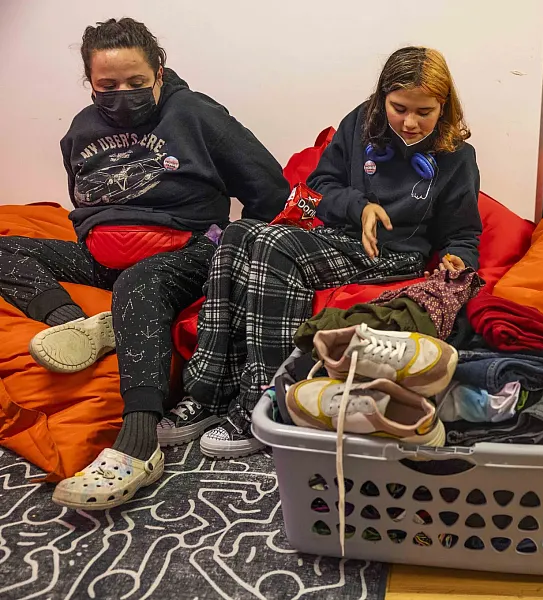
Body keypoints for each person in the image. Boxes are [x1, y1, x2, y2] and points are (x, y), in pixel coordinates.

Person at [0, 18, 289, 510]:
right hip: (102, 258)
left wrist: (232, 255)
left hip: (188, 252)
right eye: (107, 85)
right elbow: (86, 200)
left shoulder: (197, 115)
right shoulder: (81, 128)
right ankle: (77, 324)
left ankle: (138, 444)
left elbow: (271, 191)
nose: (122, 94)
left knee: (140, 279)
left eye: (136, 82)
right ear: (89, 82)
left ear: (159, 72)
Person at [166, 46, 482, 459]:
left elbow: (463, 232)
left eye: (424, 111)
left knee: (272, 244)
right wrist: (359, 206)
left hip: (394, 253)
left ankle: (265, 399)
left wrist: (459, 258)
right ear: (382, 98)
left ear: (444, 106)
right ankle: (209, 391)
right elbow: (322, 187)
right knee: (237, 233)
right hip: (340, 234)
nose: (410, 121)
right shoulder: (360, 123)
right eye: (399, 107)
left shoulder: (456, 156)